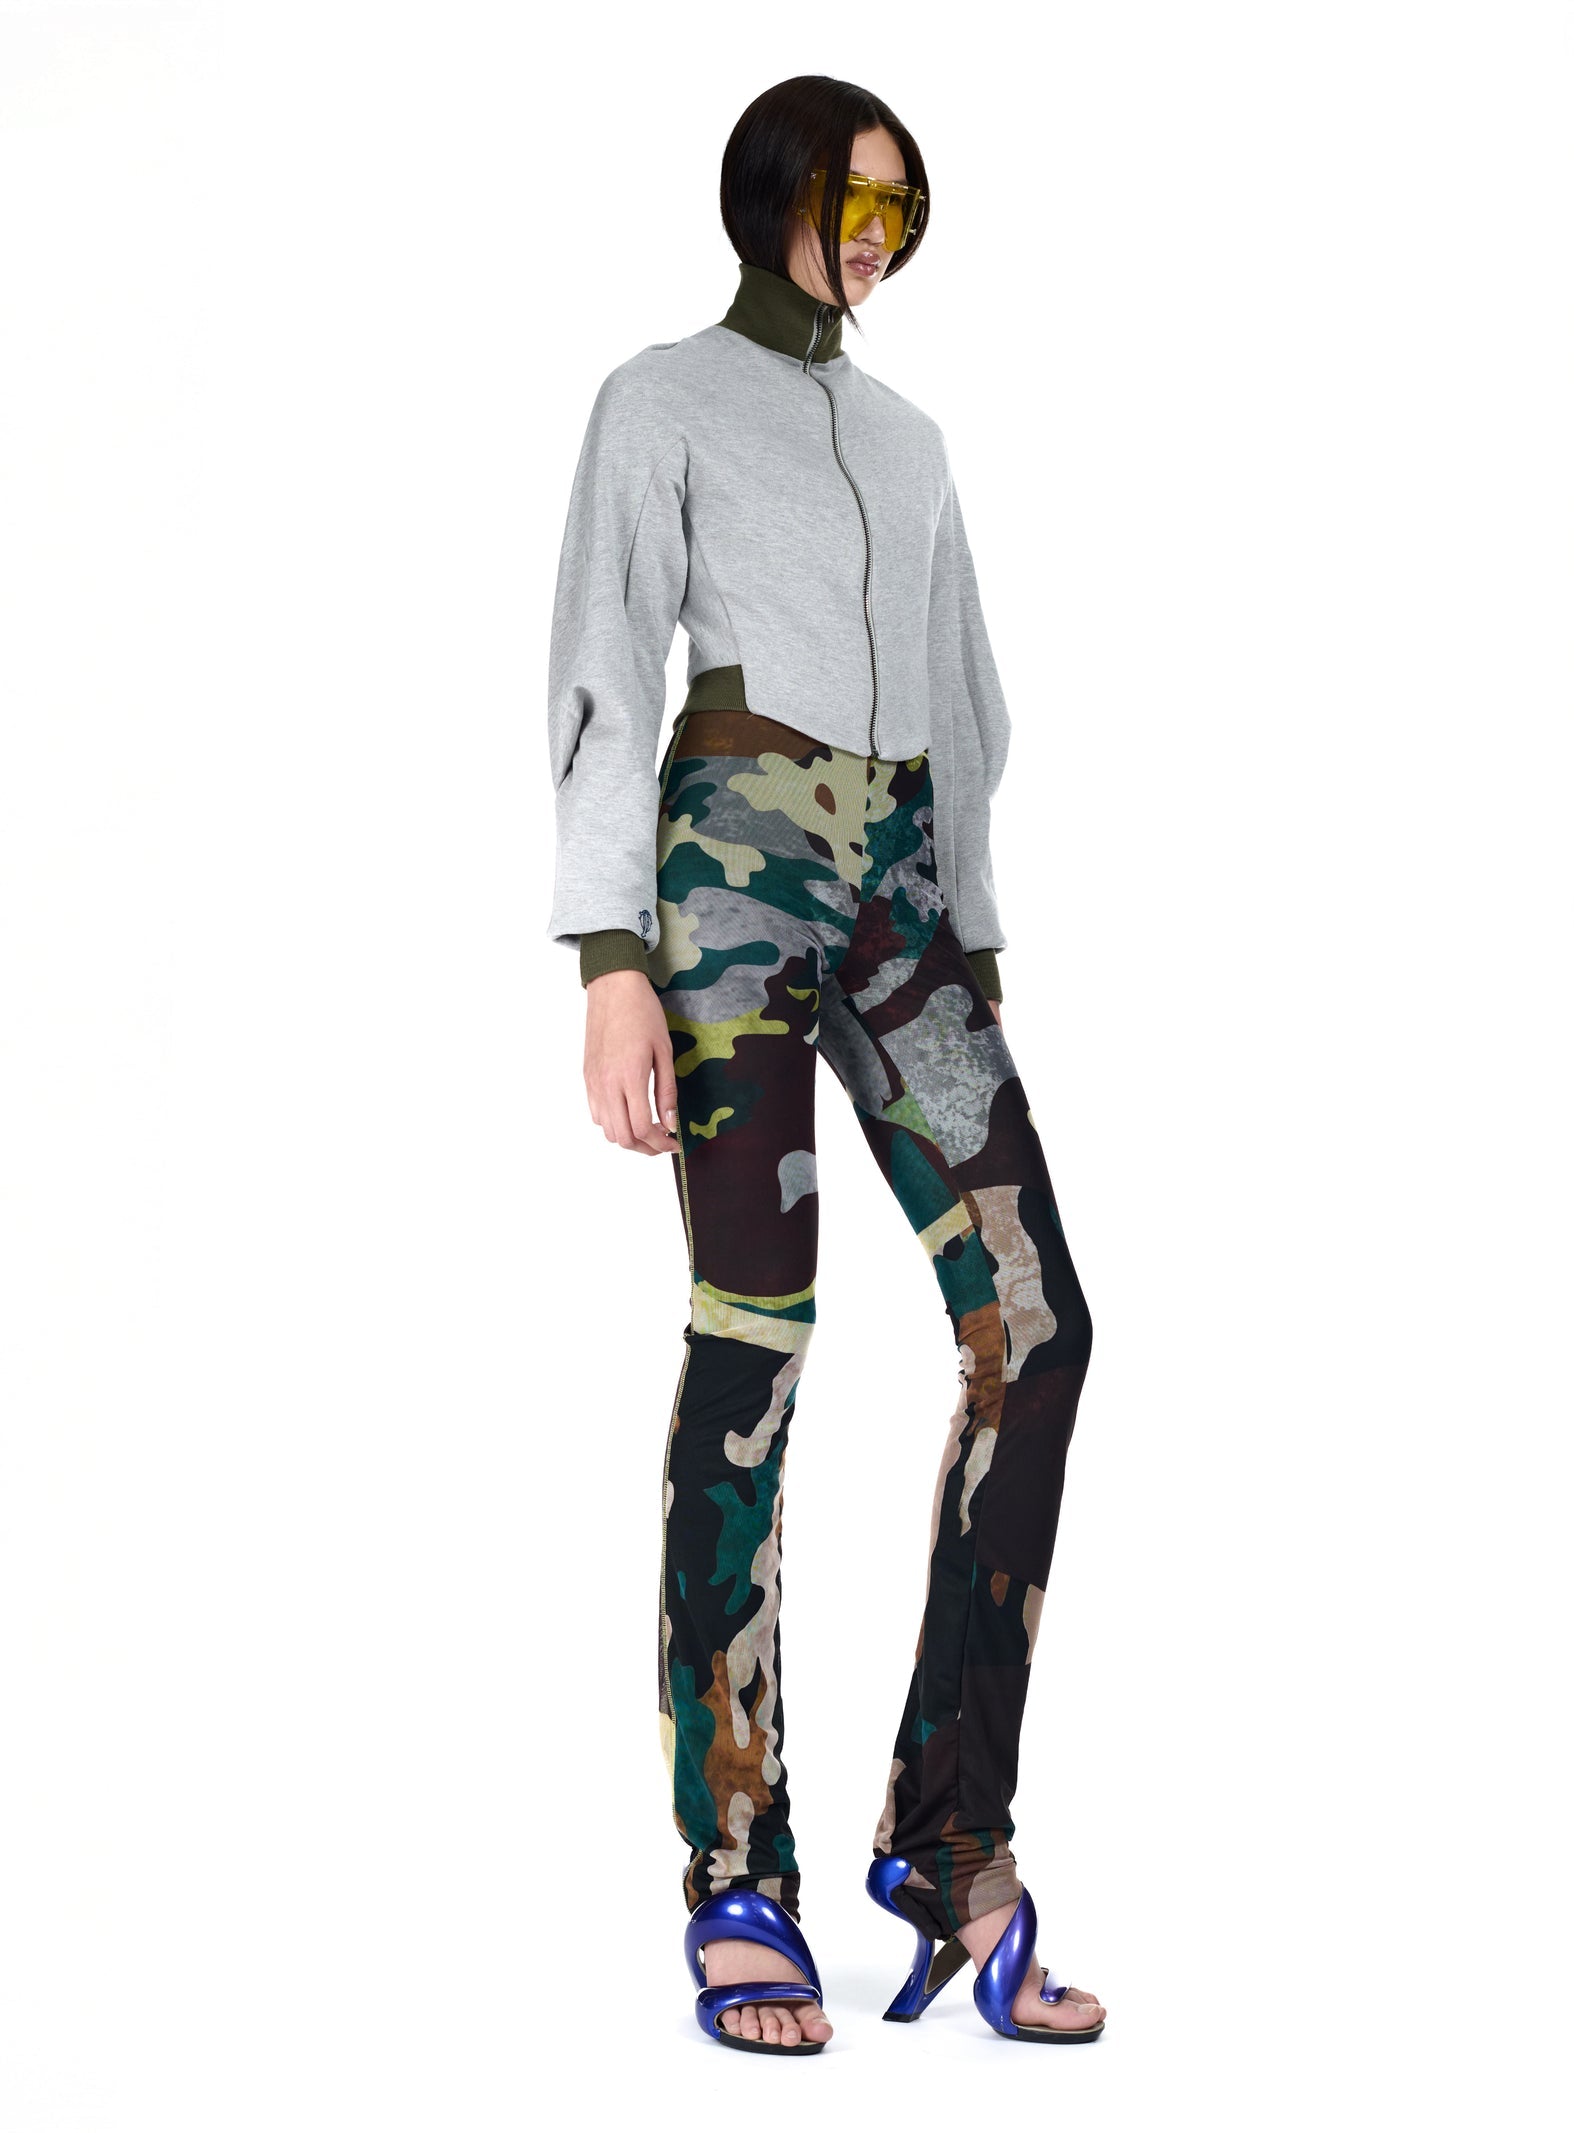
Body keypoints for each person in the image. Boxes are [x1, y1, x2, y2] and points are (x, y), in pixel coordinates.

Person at [545, 74, 1103, 2055]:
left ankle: (950, 1839)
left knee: (1035, 1326)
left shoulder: (914, 438)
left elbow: (963, 700)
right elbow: (603, 668)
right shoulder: (660, 402)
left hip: (900, 897)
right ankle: (735, 1870)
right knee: (755, 1341)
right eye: (850, 197)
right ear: (771, 192)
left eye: (900, 206)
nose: (875, 234)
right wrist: (611, 956)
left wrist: (974, 942)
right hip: (726, 880)